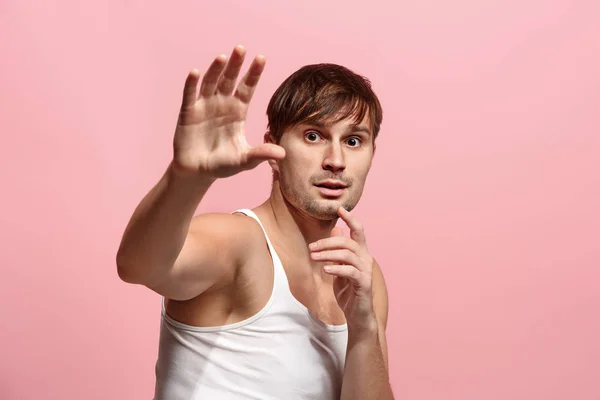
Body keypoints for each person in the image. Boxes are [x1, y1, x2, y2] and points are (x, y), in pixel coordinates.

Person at [116, 45, 393, 399]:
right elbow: (138, 266)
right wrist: (185, 177)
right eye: (313, 136)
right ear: (273, 149)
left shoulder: (361, 276)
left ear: (370, 156)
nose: (335, 160)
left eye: (353, 140)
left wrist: (363, 328)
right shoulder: (239, 242)